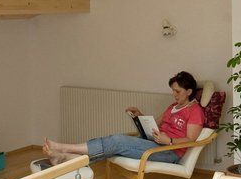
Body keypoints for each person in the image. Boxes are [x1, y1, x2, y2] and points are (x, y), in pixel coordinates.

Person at [43, 71, 204, 165]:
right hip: (155, 143)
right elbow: (155, 124)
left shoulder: (195, 111)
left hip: (169, 152)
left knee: (117, 141)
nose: (173, 94)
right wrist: (140, 116)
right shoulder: (172, 107)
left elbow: (191, 140)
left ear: (189, 92)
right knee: (113, 143)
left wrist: (169, 141)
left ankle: (65, 149)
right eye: (173, 90)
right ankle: (64, 158)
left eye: (177, 91)